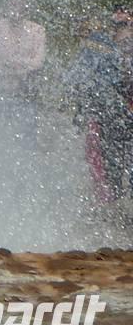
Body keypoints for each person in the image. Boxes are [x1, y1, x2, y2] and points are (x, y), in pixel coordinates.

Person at [63, 13, 131, 204]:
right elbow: (75, 76)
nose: (122, 30)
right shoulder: (99, 48)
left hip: (126, 114)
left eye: (126, 24)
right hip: (108, 116)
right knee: (106, 161)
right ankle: (110, 202)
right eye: (117, 25)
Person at [0, 0, 46, 155]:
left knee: (26, 150)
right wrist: (21, 65)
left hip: (25, 98)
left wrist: (7, 64)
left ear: (26, 2)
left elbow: (38, 63)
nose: (14, 2)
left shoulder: (37, 31)